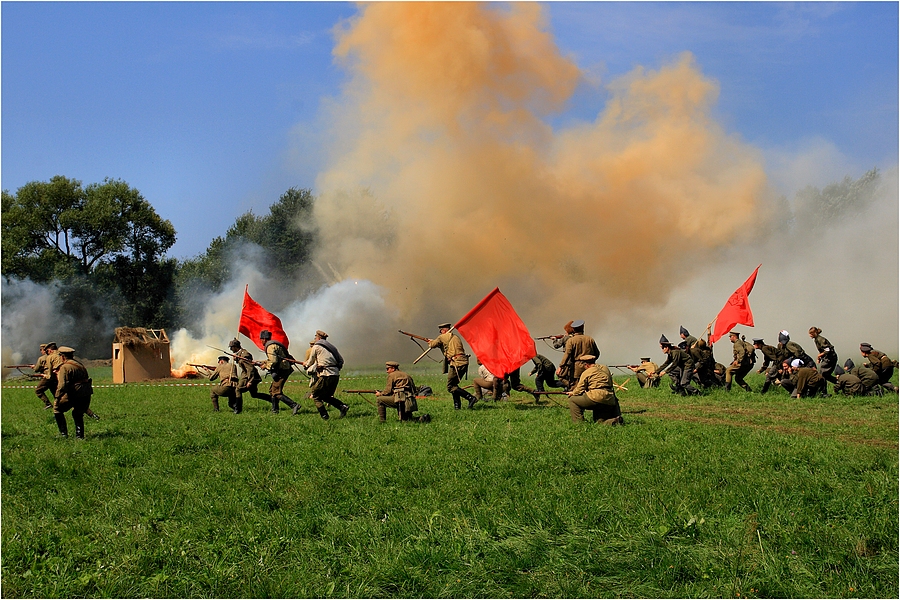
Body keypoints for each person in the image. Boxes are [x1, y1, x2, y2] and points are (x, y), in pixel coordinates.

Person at [426, 323, 477, 410]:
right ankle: (457, 407)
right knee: (454, 385)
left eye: (441, 331)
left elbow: (433, 345)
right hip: (463, 362)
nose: (440, 333)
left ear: (444, 330)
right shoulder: (455, 337)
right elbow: (446, 347)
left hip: (456, 363)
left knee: (450, 386)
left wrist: (430, 342)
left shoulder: (442, 337)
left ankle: (470, 398)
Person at [305, 330, 350, 420]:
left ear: (318, 338)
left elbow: (310, 361)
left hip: (325, 375)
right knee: (326, 396)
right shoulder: (332, 348)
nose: (315, 339)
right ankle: (342, 406)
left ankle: (324, 416)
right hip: (335, 375)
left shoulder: (316, 346)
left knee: (316, 395)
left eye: (315, 337)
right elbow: (341, 361)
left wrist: (306, 365)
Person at [566, 354, 623, 424]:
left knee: (573, 400)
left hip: (596, 398)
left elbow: (579, 389)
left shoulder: (587, 372)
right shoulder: (605, 368)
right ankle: (615, 421)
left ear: (586, 365)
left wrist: (572, 393)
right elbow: (610, 384)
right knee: (599, 422)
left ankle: (579, 423)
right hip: (609, 399)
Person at [51, 346, 93, 439]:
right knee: (78, 413)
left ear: (62, 357)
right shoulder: (80, 365)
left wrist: (57, 397)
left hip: (75, 393)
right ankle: (79, 436)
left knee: (57, 409)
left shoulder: (65, 367)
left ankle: (63, 434)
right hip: (86, 392)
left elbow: (62, 385)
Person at [259, 330, 301, 415]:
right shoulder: (273, 345)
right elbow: (275, 359)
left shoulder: (270, 347)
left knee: (276, 392)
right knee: (272, 390)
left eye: (261, 339)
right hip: (283, 369)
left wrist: (265, 366)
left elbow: (274, 361)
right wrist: (263, 362)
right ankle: (275, 410)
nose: (261, 341)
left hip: (282, 370)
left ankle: (294, 405)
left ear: (264, 339)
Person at [229, 338, 271, 412]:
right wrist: (236, 359)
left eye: (231, 347)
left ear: (235, 347)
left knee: (238, 389)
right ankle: (272, 400)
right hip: (247, 374)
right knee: (254, 394)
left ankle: (238, 409)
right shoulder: (240, 354)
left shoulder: (244, 355)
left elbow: (250, 369)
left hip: (248, 376)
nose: (231, 349)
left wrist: (250, 381)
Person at [556, 320, 600, 391]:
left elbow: (567, 355)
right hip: (590, 366)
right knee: (590, 385)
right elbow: (597, 353)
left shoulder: (571, 341)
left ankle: (577, 400)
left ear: (573, 329)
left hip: (577, 368)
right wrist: (591, 361)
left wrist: (561, 367)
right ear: (583, 328)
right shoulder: (590, 339)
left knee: (576, 387)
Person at [32, 343, 53, 409]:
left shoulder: (42, 358)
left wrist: (33, 367)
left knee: (38, 390)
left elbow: (36, 369)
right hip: (54, 376)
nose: (41, 351)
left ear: (44, 350)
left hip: (47, 376)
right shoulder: (54, 356)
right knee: (57, 394)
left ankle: (48, 404)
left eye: (41, 350)